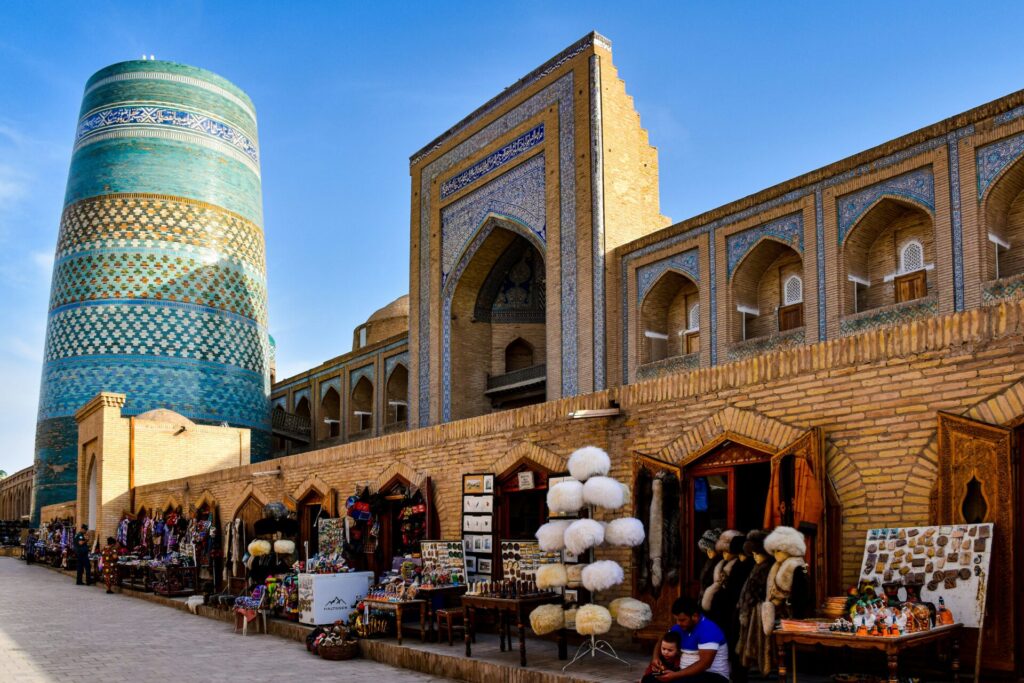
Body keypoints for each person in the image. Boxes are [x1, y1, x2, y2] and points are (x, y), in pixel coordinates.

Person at [650, 597, 730, 682]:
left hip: (713, 675)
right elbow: (661, 641)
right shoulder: (680, 627)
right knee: (649, 679)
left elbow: (704, 664)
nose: (678, 623)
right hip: (686, 674)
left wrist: (675, 675)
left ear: (695, 616)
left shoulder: (709, 630)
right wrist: (656, 658)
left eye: (682, 620)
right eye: (676, 620)